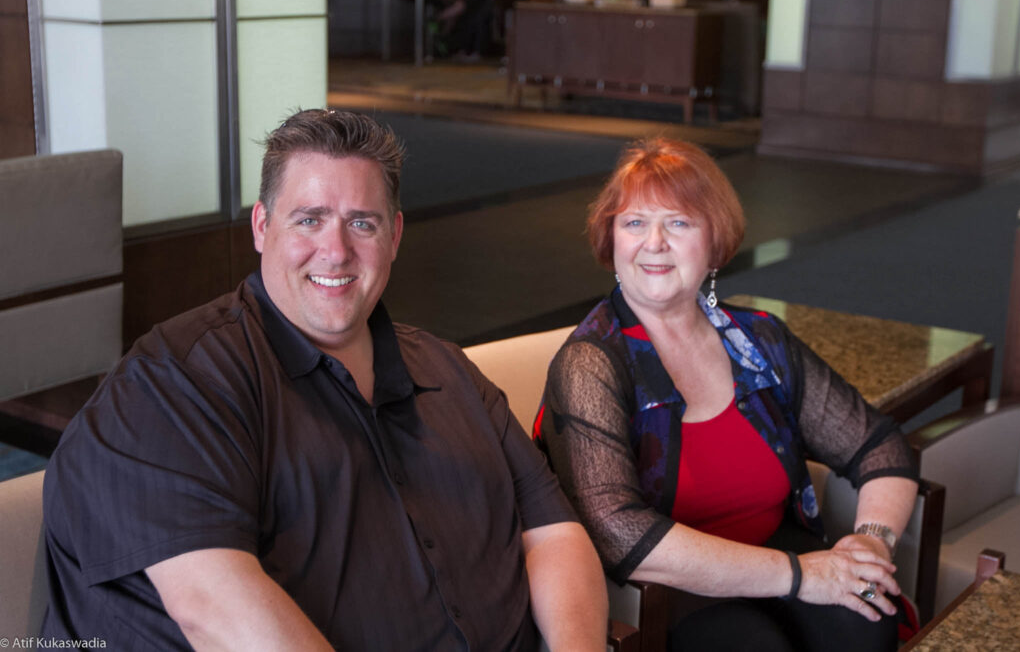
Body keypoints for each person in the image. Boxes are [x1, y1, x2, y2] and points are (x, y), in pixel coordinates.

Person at [42, 108, 607, 651]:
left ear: (395, 236)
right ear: (262, 227)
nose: (335, 252)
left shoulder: (446, 368)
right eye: (308, 219)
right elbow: (212, 610)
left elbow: (553, 533)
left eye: (362, 223)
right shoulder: (173, 383)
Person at [536, 138, 919, 652]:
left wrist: (872, 541)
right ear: (611, 240)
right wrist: (800, 576)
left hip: (780, 551)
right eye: (634, 223)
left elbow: (881, 445)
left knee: (867, 616)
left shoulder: (759, 341)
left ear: (714, 243)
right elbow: (618, 533)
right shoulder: (590, 364)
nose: (653, 242)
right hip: (670, 586)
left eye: (678, 223)